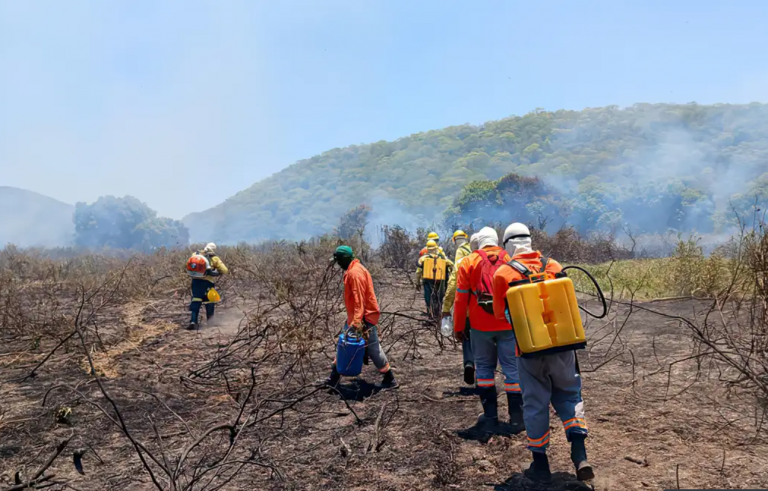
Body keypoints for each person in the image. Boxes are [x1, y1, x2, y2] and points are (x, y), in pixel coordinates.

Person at [492, 222, 593, 483]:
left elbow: (499, 315)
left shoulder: (503, 274)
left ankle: (540, 465)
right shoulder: (554, 266)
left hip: (529, 352)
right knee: (569, 396)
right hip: (563, 348)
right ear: (529, 240)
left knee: (535, 404)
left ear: (508, 246)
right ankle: (580, 456)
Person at [453, 227, 524, 435]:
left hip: (479, 326)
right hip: (507, 324)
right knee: (512, 369)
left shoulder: (469, 261)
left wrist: (459, 327)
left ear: (479, 242)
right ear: (497, 240)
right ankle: (517, 419)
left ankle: (491, 418)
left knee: (484, 370)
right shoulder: (509, 258)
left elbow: (460, 299)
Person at [325, 246, 398, 389]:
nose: (338, 264)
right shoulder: (356, 269)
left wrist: (357, 322)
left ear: (344, 260)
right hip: (358, 317)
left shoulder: (354, 273)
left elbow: (359, 300)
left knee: (372, 349)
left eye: (338, 261)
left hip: (363, 318)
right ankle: (333, 378)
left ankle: (390, 379)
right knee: (344, 344)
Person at [442, 230, 475, 385]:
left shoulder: (460, 257)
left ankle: (469, 362)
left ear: (454, 240)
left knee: (466, 336)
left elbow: (453, 283)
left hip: (467, 307)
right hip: (487, 309)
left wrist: (446, 307)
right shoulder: (479, 252)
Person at [187, 243, 228, 330]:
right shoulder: (214, 258)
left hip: (195, 282)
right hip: (208, 282)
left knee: (196, 300)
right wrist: (216, 272)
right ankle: (210, 322)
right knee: (209, 300)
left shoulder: (195, 254)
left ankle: (193, 321)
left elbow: (187, 266)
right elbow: (224, 270)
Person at [416, 240, 453, 318]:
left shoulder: (423, 258)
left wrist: (417, 282)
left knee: (428, 297)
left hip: (427, 281)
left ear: (427, 248)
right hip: (440, 281)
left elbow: (418, 271)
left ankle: (430, 313)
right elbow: (451, 264)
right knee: (439, 297)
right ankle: (439, 313)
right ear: (436, 248)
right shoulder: (442, 258)